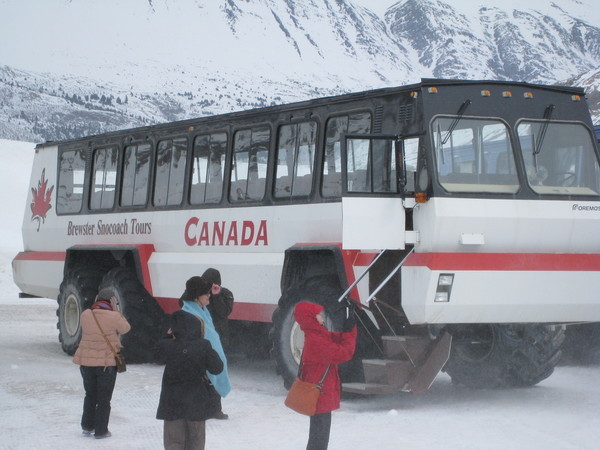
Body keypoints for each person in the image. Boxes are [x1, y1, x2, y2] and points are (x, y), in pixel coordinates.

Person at [156, 309, 224, 450]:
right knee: (196, 442)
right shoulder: (203, 345)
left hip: (172, 402)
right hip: (196, 402)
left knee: (173, 442)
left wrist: (167, 336)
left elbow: (156, 356)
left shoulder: (167, 346)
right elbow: (217, 368)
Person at [294, 301, 357, 450]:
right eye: (318, 314)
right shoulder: (316, 340)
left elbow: (333, 338)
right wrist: (350, 332)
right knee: (319, 438)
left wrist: (347, 329)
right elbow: (344, 353)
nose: (322, 316)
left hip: (319, 395)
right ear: (312, 318)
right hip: (320, 396)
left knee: (318, 435)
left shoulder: (316, 335)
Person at [73, 288, 131, 439]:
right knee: (104, 398)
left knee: (90, 395)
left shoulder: (86, 314)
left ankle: (87, 426)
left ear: (97, 299)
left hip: (86, 363)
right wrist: (117, 310)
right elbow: (126, 328)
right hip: (106, 364)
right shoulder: (114, 316)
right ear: (112, 301)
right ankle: (101, 431)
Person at [180, 276, 231, 420]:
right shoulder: (190, 314)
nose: (209, 295)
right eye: (206, 293)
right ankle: (207, 409)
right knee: (204, 380)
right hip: (198, 357)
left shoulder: (202, 310)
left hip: (209, 354)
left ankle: (214, 409)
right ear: (197, 296)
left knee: (212, 377)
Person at [202, 268, 234, 349]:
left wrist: (216, 296)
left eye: (208, 283)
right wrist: (191, 290)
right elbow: (182, 303)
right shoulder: (201, 293)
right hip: (203, 331)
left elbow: (224, 312)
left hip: (219, 334)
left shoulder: (226, 293)